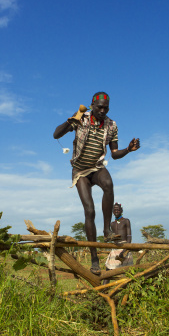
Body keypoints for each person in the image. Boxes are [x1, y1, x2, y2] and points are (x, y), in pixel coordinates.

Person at [53, 92, 140, 275]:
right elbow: (55, 135)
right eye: (99, 107)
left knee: (108, 183)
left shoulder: (111, 125)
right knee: (89, 210)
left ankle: (107, 229)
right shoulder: (80, 119)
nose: (102, 110)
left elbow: (114, 154)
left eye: (105, 108)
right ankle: (94, 258)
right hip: (80, 171)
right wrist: (71, 121)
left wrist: (129, 150)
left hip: (97, 167)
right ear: (92, 105)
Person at [104, 203, 133, 283]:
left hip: (125, 247)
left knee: (128, 273)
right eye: (115, 210)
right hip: (115, 248)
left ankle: (130, 292)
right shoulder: (112, 224)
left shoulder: (126, 221)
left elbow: (129, 237)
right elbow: (108, 237)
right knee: (108, 271)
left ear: (121, 210)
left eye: (118, 209)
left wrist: (125, 250)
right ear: (112, 211)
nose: (116, 211)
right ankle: (103, 290)